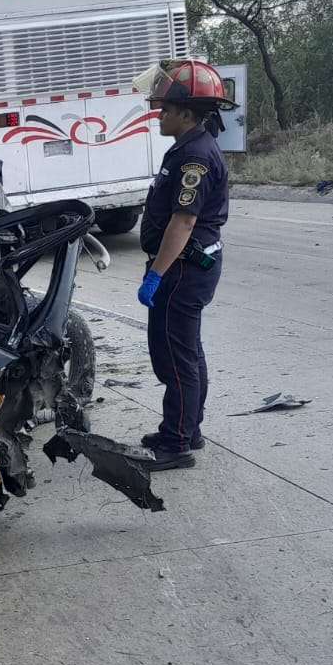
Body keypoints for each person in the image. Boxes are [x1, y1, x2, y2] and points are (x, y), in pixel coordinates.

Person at [132, 59, 233, 471]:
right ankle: (186, 428)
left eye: (166, 110)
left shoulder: (195, 158)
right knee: (186, 352)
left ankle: (176, 445)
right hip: (188, 267)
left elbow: (184, 220)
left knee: (175, 357)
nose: (159, 115)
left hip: (183, 270)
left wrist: (156, 273)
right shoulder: (189, 148)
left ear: (186, 114)